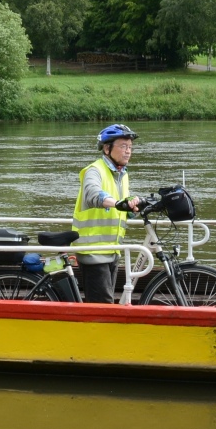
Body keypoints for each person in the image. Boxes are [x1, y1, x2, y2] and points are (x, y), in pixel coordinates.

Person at [72, 124, 143, 303]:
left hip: (112, 250)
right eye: (123, 146)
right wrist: (118, 203)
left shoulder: (122, 174)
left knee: (106, 302)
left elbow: (120, 210)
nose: (128, 151)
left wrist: (133, 208)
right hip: (93, 251)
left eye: (130, 147)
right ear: (107, 148)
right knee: (102, 305)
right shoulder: (94, 170)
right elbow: (94, 194)